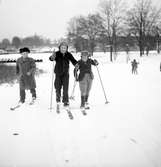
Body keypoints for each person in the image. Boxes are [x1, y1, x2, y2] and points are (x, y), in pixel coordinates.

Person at [49, 42, 78, 108]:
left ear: (66, 48)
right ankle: (58, 98)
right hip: (58, 73)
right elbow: (50, 59)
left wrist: (76, 64)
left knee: (65, 88)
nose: (63, 49)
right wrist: (52, 57)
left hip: (65, 74)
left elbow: (73, 60)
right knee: (57, 87)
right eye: (62, 48)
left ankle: (65, 101)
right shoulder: (56, 53)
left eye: (65, 48)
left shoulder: (69, 54)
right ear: (59, 48)